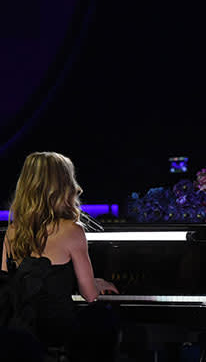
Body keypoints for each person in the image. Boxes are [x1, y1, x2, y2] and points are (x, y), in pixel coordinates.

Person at [0, 151, 119, 361]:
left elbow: (7, 283)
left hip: (19, 331)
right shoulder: (72, 230)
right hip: (56, 329)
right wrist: (94, 283)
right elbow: (89, 295)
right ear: (64, 185)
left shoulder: (12, 230)